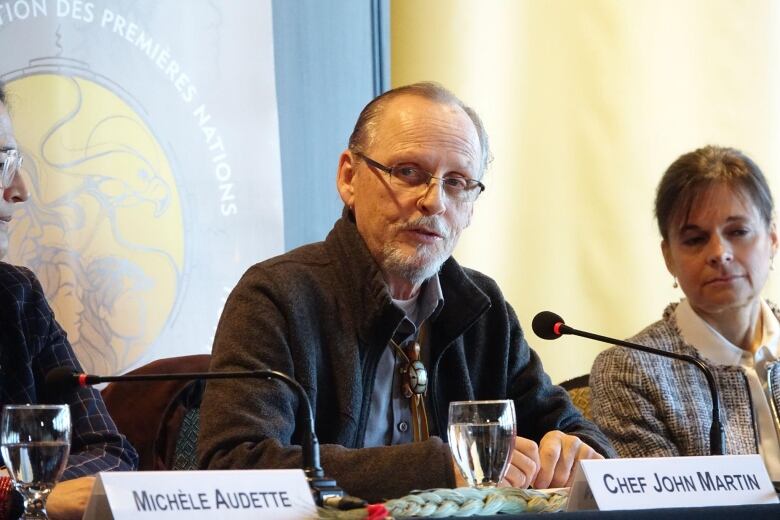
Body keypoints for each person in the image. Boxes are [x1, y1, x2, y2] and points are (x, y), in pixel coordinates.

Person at [198, 82, 614, 502]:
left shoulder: (482, 309)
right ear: (348, 178)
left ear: (470, 205)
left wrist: (573, 451)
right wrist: (441, 468)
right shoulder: (277, 297)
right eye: (408, 172)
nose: (434, 201)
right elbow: (235, 465)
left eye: (456, 182)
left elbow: (576, 433)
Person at [590, 145, 780, 480]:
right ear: (669, 257)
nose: (720, 253)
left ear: (773, 239)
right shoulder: (630, 371)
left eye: (738, 232)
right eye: (695, 239)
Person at [0, 83, 138, 519]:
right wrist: (19, 499)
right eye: (2, 164)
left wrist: (26, 496)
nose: (20, 189)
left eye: (15, 163)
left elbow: (111, 453)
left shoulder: (18, 297)